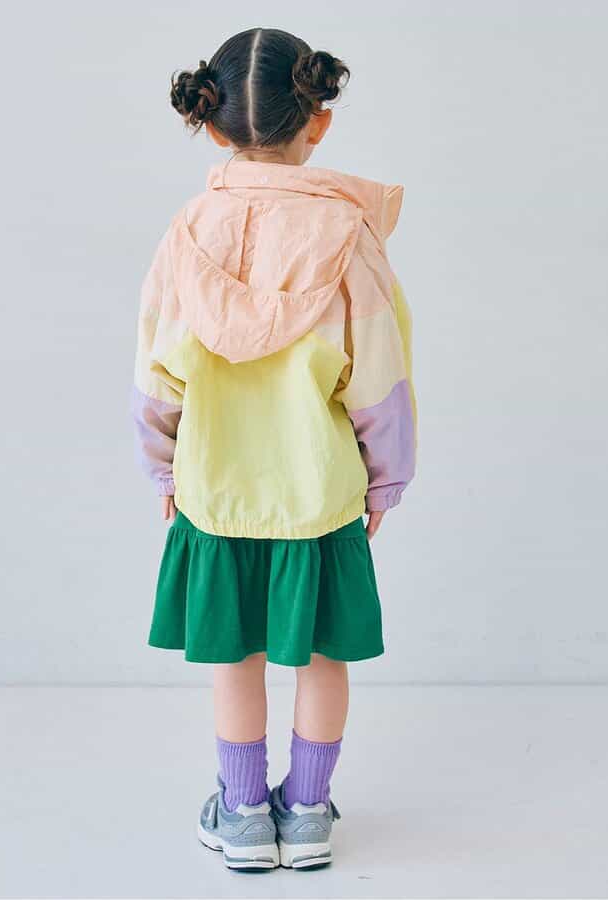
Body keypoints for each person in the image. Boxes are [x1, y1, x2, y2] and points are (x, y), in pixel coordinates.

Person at [131, 26, 416, 871]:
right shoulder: (347, 236)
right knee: (324, 654)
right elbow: (380, 374)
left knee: (236, 657)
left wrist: (162, 465)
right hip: (317, 493)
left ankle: (245, 812)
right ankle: (310, 812)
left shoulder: (188, 234)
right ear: (318, 120)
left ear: (213, 125)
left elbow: (155, 369)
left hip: (216, 487)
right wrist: (385, 480)